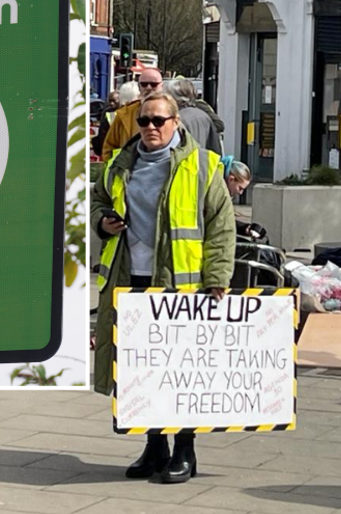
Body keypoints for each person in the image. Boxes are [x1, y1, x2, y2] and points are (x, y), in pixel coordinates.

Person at [91, 91, 236, 484]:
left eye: (159, 120)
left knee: (180, 371)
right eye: (144, 121)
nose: (151, 128)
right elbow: (98, 201)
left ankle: (185, 450)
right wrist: (103, 222)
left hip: (182, 285)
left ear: (176, 122)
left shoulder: (203, 165)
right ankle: (154, 448)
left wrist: (218, 277)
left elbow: (222, 225)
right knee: (143, 369)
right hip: (130, 280)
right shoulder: (119, 165)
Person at [102, 69, 164, 160]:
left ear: (162, 86)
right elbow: (109, 147)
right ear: (139, 87)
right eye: (144, 84)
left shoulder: (172, 113)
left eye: (154, 84)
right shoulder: (124, 114)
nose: (149, 87)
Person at [168, 79, 222, 154]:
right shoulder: (204, 115)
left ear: (175, 98)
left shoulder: (177, 119)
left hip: (184, 163)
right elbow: (215, 147)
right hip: (204, 162)